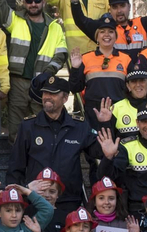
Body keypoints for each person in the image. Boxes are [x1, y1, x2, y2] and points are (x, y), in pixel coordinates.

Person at [10, 73, 95, 214]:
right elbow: (15, 167)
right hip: (36, 200)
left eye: (53, 94)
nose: (47, 97)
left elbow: (96, 154)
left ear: (65, 98)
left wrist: (105, 124)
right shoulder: (28, 126)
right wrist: (23, 190)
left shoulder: (79, 126)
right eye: (45, 93)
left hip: (69, 201)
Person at [0, 0, 69, 135]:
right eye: (29, 1)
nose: (33, 4)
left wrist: (48, 72)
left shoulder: (54, 26)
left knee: (42, 127)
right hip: (18, 81)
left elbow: (61, 54)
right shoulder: (16, 20)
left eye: (37, 0)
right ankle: (17, 158)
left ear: (43, 2)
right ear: (24, 3)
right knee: (16, 129)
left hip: (42, 84)